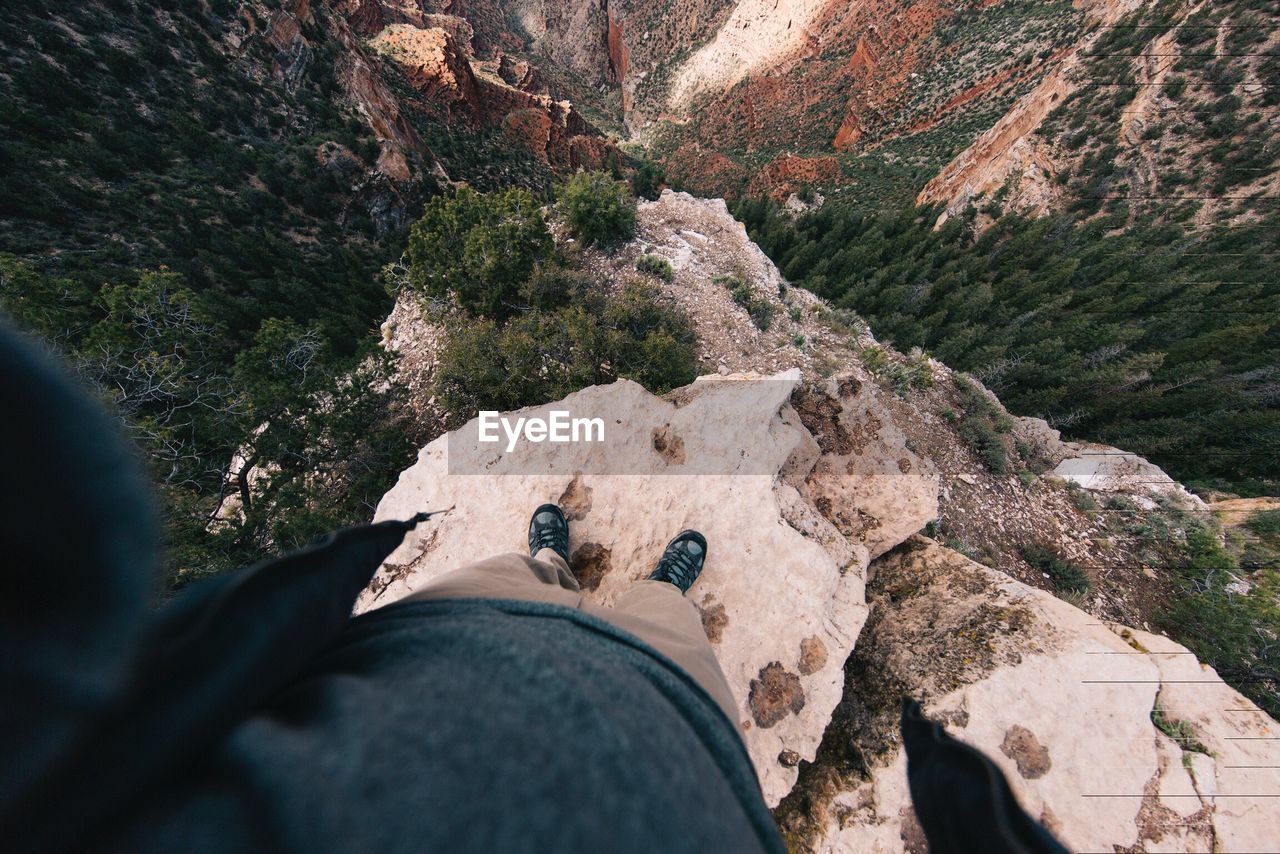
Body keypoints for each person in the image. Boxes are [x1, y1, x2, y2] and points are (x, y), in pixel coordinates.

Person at [0, 320, 1066, 853]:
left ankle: (554, 559)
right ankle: (653, 585)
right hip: (664, 728)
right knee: (664, 623)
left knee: (519, 564)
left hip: (456, 636)